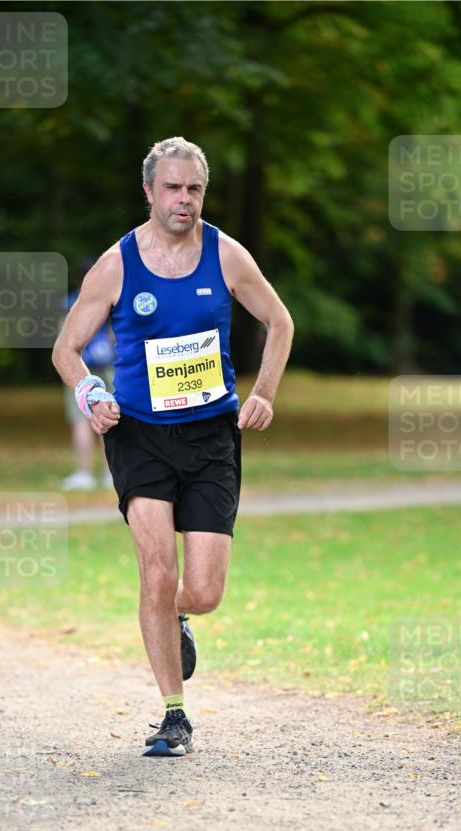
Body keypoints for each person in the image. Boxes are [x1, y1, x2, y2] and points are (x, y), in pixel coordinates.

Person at [52, 137, 293, 757]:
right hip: (138, 436)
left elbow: (280, 322)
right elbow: (66, 349)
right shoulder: (116, 265)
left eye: (194, 189)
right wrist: (91, 394)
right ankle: (173, 715)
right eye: (172, 188)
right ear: (149, 191)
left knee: (203, 590)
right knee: (157, 573)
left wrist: (264, 393)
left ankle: (174, 615)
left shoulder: (226, 255)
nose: (184, 199)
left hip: (212, 435)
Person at [60, 260, 116, 490]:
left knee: (80, 420)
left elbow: (62, 338)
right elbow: (114, 333)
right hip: (107, 364)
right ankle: (110, 474)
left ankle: (84, 473)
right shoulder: (110, 297)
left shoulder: (69, 302)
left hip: (79, 364)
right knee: (109, 417)